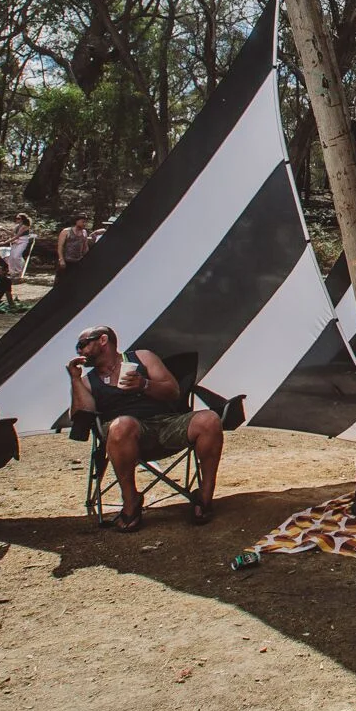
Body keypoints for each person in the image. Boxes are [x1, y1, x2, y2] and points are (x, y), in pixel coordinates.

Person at [68, 326, 223, 529]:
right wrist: (74, 379)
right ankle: (131, 500)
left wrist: (144, 385)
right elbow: (81, 415)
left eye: (82, 345)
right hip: (124, 436)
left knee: (210, 419)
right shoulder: (87, 381)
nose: (79, 351)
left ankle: (204, 496)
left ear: (103, 340)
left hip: (165, 423)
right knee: (123, 425)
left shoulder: (142, 358)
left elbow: (173, 391)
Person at [56, 214, 93, 279]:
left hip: (78, 261)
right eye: (83, 222)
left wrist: (87, 259)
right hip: (66, 261)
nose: (84, 224)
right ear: (77, 221)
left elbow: (85, 247)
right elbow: (60, 247)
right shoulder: (66, 231)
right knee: (61, 281)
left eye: (85, 222)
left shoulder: (84, 232)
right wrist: (61, 260)